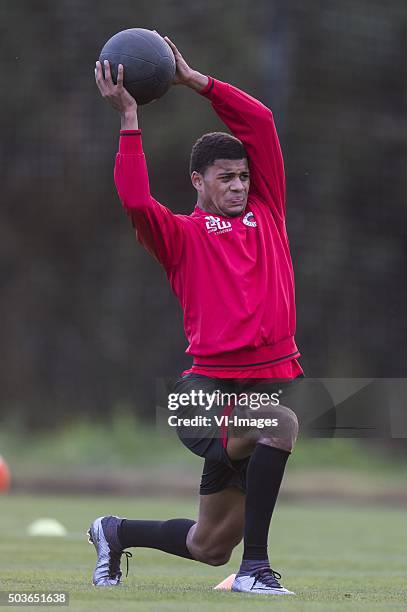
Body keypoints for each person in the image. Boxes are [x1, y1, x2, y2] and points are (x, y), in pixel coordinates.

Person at [88, 36, 303, 596]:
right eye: (225, 178)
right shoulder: (181, 236)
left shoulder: (268, 213)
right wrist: (129, 118)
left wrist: (195, 81)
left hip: (252, 395)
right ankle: (257, 571)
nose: (238, 185)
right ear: (198, 182)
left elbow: (260, 121)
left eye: (242, 176)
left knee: (209, 548)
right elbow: (136, 201)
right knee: (281, 426)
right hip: (203, 398)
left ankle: (113, 532)